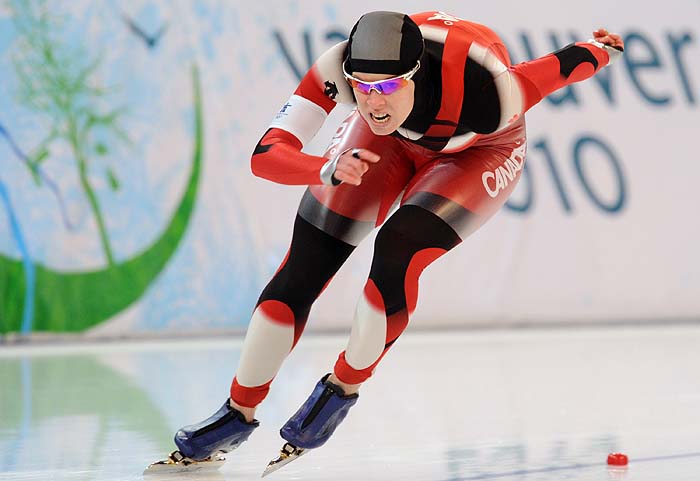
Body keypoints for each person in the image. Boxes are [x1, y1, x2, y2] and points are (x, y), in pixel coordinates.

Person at [168, 10, 624, 474]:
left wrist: (601, 50)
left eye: (387, 87)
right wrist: (321, 167)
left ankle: (341, 389)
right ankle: (236, 412)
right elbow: (265, 155)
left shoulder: (489, 87)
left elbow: (559, 68)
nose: (373, 102)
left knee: (398, 248)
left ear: (416, 74)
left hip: (479, 150)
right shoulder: (336, 68)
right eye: (362, 87)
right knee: (306, 264)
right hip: (388, 144)